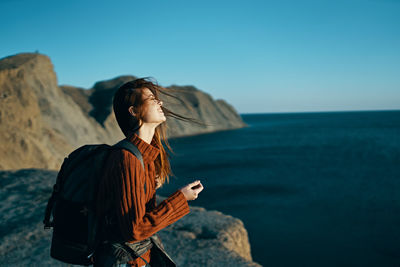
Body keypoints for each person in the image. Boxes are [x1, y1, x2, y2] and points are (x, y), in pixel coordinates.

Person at [94, 78, 204, 267]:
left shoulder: (145, 155)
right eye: (152, 100)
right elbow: (135, 230)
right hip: (124, 261)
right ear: (134, 111)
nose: (160, 103)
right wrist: (181, 199)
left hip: (134, 258)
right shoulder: (127, 158)